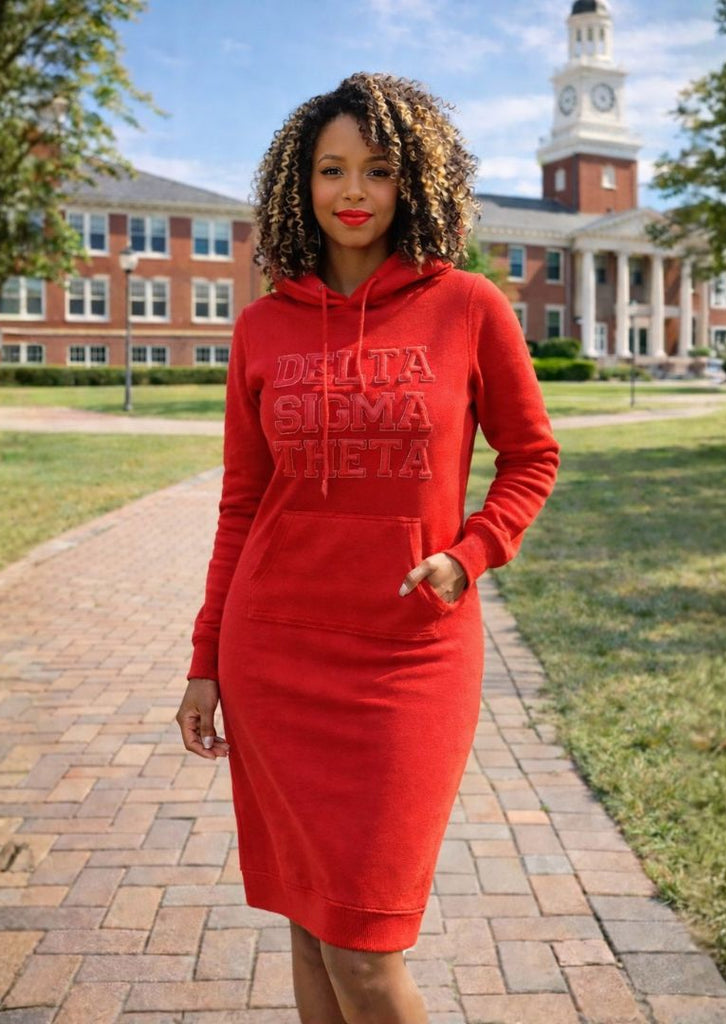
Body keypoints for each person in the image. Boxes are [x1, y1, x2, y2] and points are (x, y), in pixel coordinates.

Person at [176, 72, 560, 1024]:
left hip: (409, 657)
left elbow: (532, 456)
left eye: (378, 169)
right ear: (299, 183)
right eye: (331, 169)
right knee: (311, 928)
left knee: (363, 951)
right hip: (273, 656)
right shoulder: (262, 327)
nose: (353, 191)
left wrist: (471, 553)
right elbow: (241, 504)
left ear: (412, 180)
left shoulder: (468, 306)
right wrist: (205, 660)